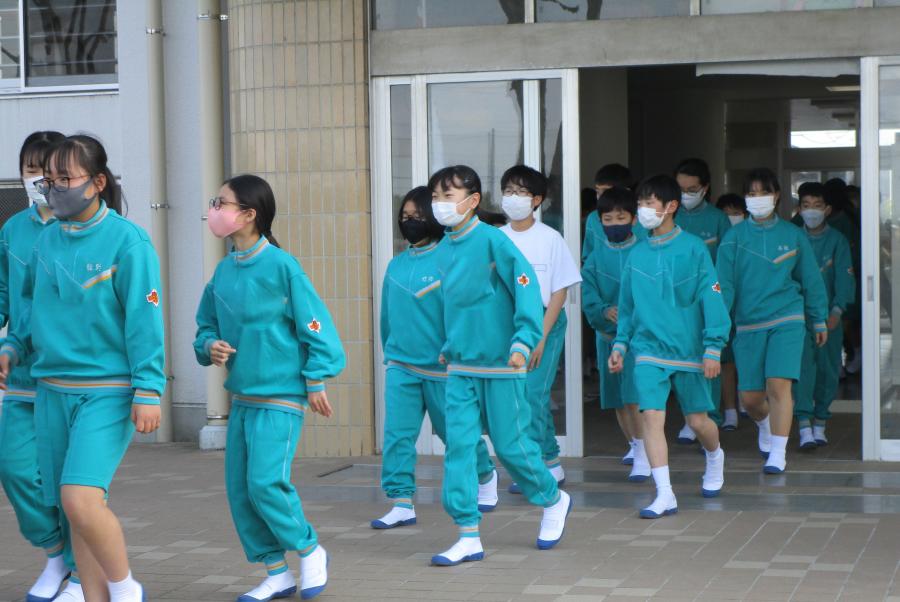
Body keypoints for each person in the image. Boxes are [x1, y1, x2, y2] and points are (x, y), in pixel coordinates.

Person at [0, 134, 164, 602]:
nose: (53, 189)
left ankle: (125, 588)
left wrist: (148, 388)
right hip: (51, 390)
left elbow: (144, 321)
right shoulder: (46, 240)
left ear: (97, 182)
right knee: (72, 509)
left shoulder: (128, 242)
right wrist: (11, 347)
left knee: (80, 497)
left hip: (106, 391)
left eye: (64, 179)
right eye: (48, 180)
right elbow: (29, 309)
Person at [194, 175, 345, 601]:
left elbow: (317, 327)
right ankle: (276, 572)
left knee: (265, 483)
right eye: (214, 202)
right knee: (241, 491)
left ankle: (309, 549)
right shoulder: (223, 271)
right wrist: (209, 346)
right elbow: (205, 325)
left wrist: (315, 379)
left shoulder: (283, 267)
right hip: (243, 397)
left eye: (221, 203)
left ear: (248, 214)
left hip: (281, 396)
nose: (214, 210)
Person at [429, 165, 572, 566]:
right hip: (462, 368)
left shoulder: (495, 242)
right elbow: (452, 305)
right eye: (436, 197)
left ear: (473, 200)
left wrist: (524, 341)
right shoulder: (443, 250)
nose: (440, 204)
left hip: (503, 365)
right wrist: (448, 346)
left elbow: (526, 288)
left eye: (448, 196)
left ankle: (552, 498)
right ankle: (467, 533)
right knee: (459, 448)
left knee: (511, 447)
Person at [373, 186, 499, 530]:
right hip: (401, 365)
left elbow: (466, 312)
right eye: (405, 216)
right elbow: (387, 317)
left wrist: (455, 350)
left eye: (417, 215)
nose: (410, 222)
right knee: (397, 436)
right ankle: (401, 501)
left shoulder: (451, 259)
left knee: (454, 435)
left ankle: (485, 474)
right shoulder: (396, 265)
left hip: (443, 369)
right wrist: (390, 353)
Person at [609, 175, 730, 518]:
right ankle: (665, 494)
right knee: (651, 416)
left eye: (649, 203)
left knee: (698, 421)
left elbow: (712, 296)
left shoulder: (694, 248)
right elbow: (627, 306)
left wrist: (713, 347)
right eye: (640, 203)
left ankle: (715, 455)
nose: (643, 210)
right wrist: (620, 344)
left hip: (689, 349)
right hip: (647, 349)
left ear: (671, 206)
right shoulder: (636, 254)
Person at [0, 131, 73, 602]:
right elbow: (4, 292)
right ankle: (56, 553)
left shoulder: (80, 228)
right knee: (15, 468)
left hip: (70, 375)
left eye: (48, 171)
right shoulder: (13, 230)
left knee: (70, 481)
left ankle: (83, 570)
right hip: (22, 374)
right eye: (31, 170)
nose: (39, 179)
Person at [717, 168, 829, 474]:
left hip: (787, 318)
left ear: (777, 195)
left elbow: (811, 280)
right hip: (748, 324)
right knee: (751, 398)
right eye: (751, 194)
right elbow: (722, 284)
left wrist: (818, 319)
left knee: (779, 384)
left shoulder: (793, 235)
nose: (757, 199)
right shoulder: (733, 238)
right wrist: (718, 321)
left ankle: (778, 453)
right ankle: (765, 423)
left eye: (763, 193)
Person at [498, 166, 580, 493]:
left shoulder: (550, 238)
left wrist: (541, 336)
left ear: (537, 200)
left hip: (545, 321)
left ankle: (537, 467)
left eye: (521, 192)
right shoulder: (497, 238)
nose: (513, 198)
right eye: (508, 191)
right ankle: (550, 462)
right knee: (519, 396)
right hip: (509, 322)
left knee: (533, 394)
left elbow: (560, 290)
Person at [581, 186, 649, 481]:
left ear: (634, 219)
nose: (614, 224)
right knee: (617, 400)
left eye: (621, 218)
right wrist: (603, 309)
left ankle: (645, 452)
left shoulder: (646, 251)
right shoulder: (594, 259)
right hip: (607, 337)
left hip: (638, 340)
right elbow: (588, 294)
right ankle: (634, 444)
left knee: (634, 397)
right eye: (607, 219)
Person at [673, 158, 732, 442]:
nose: (686, 195)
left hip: (708, 299)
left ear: (705, 188)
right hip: (677, 303)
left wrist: (722, 303)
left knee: (710, 359)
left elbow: (727, 265)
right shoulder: (671, 217)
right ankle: (690, 417)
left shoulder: (718, 220)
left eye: (692, 189)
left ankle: (711, 418)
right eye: (681, 189)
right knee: (682, 361)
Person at [793, 182, 855, 448]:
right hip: (798, 319)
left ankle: (820, 423)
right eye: (806, 206)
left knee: (828, 371)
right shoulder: (793, 238)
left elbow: (845, 279)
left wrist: (837, 311)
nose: (811, 211)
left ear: (828, 209)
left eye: (817, 206)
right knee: (802, 371)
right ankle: (804, 425)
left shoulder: (837, 241)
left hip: (829, 320)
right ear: (799, 209)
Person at [714, 193, 749, 430]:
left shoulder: (750, 239)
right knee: (725, 362)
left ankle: (747, 400)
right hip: (724, 310)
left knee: (748, 360)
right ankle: (729, 411)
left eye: (736, 213)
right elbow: (717, 283)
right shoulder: (720, 243)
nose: (732, 218)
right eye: (727, 214)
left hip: (748, 310)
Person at [582, 163, 636, 262]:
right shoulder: (593, 218)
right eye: (598, 191)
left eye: (606, 191)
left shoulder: (644, 219)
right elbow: (588, 256)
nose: (600, 196)